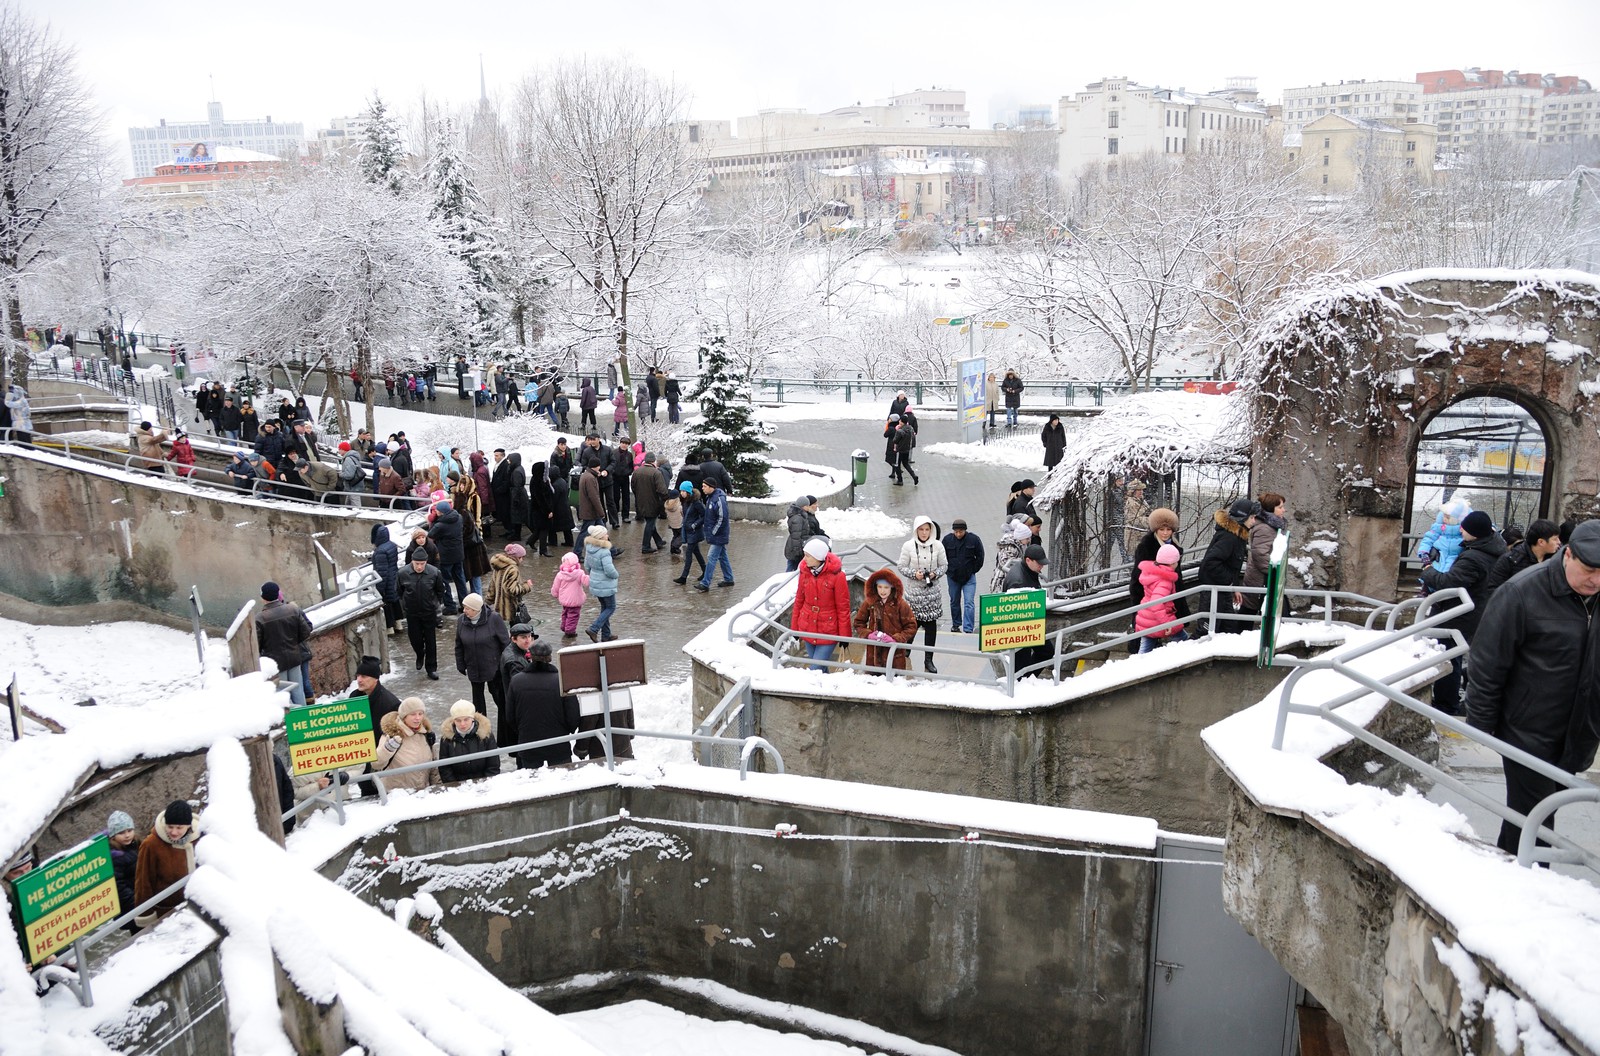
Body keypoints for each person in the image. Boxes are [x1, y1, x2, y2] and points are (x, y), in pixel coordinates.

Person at [1466, 520, 1600, 858]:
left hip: (1578, 729)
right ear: (1567, 554)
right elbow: (1487, 662)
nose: (1595, 580)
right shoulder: (1521, 592)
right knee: (1537, 820)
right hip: (1526, 731)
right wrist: (1482, 727)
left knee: (1532, 814)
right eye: (1589, 570)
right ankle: (1535, 890)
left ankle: (1507, 869)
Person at [1419, 509, 1506, 716]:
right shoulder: (1493, 547)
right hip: (1478, 610)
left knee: (1448, 656)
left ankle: (1445, 705)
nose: (1460, 530)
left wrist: (1428, 569)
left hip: (1458, 614)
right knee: (1456, 655)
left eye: (1464, 528)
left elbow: (1447, 583)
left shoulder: (1473, 558)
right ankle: (1449, 701)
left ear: (1474, 533)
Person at [508, 641, 582, 769]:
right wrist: (566, 731)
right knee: (562, 782)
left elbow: (510, 715)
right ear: (550, 657)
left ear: (530, 656)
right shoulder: (561, 680)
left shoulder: (517, 681)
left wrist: (522, 731)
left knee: (532, 783)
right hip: (558, 742)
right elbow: (573, 714)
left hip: (528, 742)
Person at [791, 538, 851, 670]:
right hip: (808, 627)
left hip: (828, 630)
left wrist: (844, 636)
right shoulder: (804, 572)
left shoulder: (837, 576)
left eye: (807, 556)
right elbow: (799, 600)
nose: (804, 559)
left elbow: (843, 608)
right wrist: (795, 628)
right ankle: (827, 691)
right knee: (821, 670)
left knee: (815, 670)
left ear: (818, 557)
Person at [1197, 498, 1256, 632]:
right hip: (1214, 591)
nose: (1254, 521)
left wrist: (1234, 587)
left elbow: (1230, 565)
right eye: (1252, 517)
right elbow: (1211, 562)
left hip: (1223, 591)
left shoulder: (1238, 534)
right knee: (1206, 631)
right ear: (1242, 517)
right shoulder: (1229, 537)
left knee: (1229, 629)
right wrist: (1229, 582)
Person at [132, 800, 197, 921]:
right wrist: (146, 916)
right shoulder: (151, 845)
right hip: (166, 913)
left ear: (189, 826)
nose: (173, 832)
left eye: (179, 828)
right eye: (170, 826)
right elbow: (143, 883)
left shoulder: (200, 839)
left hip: (197, 908)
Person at [898, 516, 947, 673]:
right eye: (921, 529)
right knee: (911, 625)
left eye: (927, 529)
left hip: (932, 594)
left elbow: (944, 565)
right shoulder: (908, 546)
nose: (924, 533)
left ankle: (928, 660)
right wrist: (914, 574)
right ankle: (905, 651)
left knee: (931, 628)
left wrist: (934, 574)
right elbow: (901, 566)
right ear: (916, 530)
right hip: (914, 594)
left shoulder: (938, 545)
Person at [255, 582, 313, 708]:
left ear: (263, 597)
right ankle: (303, 718)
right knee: (298, 690)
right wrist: (293, 643)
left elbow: (257, 645)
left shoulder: (260, 618)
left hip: (275, 662)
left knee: (282, 692)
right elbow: (306, 631)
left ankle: (291, 722)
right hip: (294, 657)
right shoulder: (293, 609)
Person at [455, 592, 511, 719]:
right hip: (473, 667)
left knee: (498, 697)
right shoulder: (461, 621)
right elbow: (459, 645)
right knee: (478, 702)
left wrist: (505, 664)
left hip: (494, 668)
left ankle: (507, 721)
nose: (464, 611)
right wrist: (461, 664)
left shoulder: (494, 619)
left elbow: (505, 644)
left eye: (467, 608)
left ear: (476, 609)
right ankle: (481, 727)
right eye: (464, 607)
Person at [1002, 544, 1054, 675]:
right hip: (1021, 628)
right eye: (1039, 563)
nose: (1042, 566)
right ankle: (1023, 681)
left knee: (1045, 651)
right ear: (1028, 560)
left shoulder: (1027, 570)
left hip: (1028, 625)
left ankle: (1026, 679)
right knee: (1022, 661)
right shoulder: (1018, 582)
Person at [853, 568, 918, 671]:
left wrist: (896, 638)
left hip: (894, 657)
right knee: (874, 682)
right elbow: (858, 622)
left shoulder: (900, 604)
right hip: (873, 656)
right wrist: (868, 634)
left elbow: (911, 626)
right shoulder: (870, 602)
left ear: (892, 587)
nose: (882, 591)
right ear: (875, 587)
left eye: (886, 587)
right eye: (880, 587)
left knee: (894, 682)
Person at [396, 549, 445, 678]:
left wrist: (433, 603)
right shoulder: (403, 573)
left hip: (429, 611)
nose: (419, 567)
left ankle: (431, 667)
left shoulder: (434, 573)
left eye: (422, 564)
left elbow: (440, 591)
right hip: (412, 613)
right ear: (412, 561)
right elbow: (399, 591)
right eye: (417, 563)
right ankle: (419, 653)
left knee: (430, 640)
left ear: (426, 562)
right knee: (415, 639)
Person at [1484, 518, 1561, 598]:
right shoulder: (1511, 560)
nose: (1559, 542)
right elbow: (1494, 590)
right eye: (1555, 539)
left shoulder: (1555, 560)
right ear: (1541, 542)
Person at [373, 697, 439, 791]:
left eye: (420, 714)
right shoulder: (391, 736)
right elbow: (376, 764)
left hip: (423, 794)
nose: (417, 718)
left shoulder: (426, 735)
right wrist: (387, 750)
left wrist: (437, 787)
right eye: (413, 714)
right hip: (397, 796)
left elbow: (433, 768)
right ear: (404, 716)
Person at [1238, 491, 1286, 619]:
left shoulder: (1271, 526)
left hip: (1262, 578)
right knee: (1250, 611)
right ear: (1271, 509)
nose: (1284, 510)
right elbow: (1260, 554)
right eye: (1280, 507)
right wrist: (1275, 570)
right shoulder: (1265, 528)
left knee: (1249, 611)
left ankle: (1239, 634)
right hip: (1262, 579)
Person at [1135, 543, 1188, 653]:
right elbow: (1156, 603)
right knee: (1182, 639)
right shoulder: (1165, 581)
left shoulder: (1153, 573)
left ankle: (1138, 666)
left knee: (1144, 651)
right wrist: (1166, 623)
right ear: (1172, 563)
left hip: (1146, 617)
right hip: (1157, 620)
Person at [437, 701, 501, 783]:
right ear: (453, 721)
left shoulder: (485, 735)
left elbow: (493, 765)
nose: (462, 724)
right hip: (458, 786)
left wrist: (486, 784)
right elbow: (445, 768)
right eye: (458, 720)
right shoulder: (446, 738)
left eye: (466, 719)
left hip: (483, 783)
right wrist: (454, 786)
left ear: (472, 719)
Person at [942, 520, 984, 634]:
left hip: (969, 577)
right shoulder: (946, 540)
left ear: (965, 530)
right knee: (954, 601)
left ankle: (968, 628)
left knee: (969, 602)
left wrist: (973, 570)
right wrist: (948, 571)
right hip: (952, 577)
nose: (958, 534)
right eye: (956, 532)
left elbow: (980, 556)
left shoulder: (974, 539)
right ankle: (956, 624)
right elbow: (942, 558)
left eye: (961, 531)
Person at [695, 476, 735, 592]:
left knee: (711, 557)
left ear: (711, 487)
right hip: (715, 534)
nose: (702, 488)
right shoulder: (710, 498)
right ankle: (729, 578)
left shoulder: (718, 499)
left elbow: (722, 518)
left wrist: (713, 532)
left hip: (719, 535)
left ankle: (705, 583)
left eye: (705, 486)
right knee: (722, 556)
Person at [429, 500, 469, 615]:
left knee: (444, 581)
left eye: (437, 510)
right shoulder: (459, 518)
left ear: (441, 512)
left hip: (445, 557)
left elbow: (431, 534)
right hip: (458, 554)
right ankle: (464, 603)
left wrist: (431, 519)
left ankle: (450, 606)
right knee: (460, 579)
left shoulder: (440, 525)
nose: (435, 511)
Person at [583, 525, 620, 642]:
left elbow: (587, 566)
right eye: (605, 534)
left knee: (605, 608)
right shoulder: (604, 552)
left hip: (595, 583)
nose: (607, 535)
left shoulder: (589, 548)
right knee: (611, 607)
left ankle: (606, 635)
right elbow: (609, 570)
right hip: (605, 585)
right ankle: (594, 628)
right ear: (600, 537)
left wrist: (594, 575)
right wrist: (616, 575)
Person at [105, 810, 140, 929]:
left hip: (142, 899)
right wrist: (137, 900)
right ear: (113, 836)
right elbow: (118, 886)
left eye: (129, 830)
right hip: (133, 907)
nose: (127, 835)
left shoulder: (137, 845)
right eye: (121, 832)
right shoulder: (115, 858)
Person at [1416, 497, 1471, 573]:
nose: (1444, 519)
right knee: (1433, 577)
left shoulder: (1466, 531)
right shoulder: (1438, 528)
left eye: (1448, 517)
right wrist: (1424, 552)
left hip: (1456, 562)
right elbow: (1428, 539)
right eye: (1443, 515)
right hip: (1438, 559)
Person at [354, 655, 403, 738]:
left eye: (364, 676)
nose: (359, 680)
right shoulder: (354, 697)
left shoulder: (390, 704)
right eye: (358, 675)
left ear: (376, 679)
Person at [485, 543, 533, 626]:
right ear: (516, 557)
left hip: (498, 608)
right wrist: (527, 586)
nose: (522, 560)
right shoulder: (513, 569)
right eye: (521, 557)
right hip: (509, 608)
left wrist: (488, 601)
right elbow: (513, 590)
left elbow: (492, 586)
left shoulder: (499, 566)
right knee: (514, 632)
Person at [674, 481, 708, 586]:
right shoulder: (686, 501)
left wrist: (694, 525)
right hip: (688, 531)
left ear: (688, 491)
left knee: (688, 554)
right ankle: (705, 571)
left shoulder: (696, 502)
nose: (682, 493)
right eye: (681, 491)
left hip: (694, 532)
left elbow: (704, 516)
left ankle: (684, 577)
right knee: (697, 553)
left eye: (683, 491)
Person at [552, 551, 590, 641]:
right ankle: (570, 631)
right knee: (573, 615)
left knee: (565, 612)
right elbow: (586, 582)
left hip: (564, 599)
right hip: (575, 599)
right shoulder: (579, 573)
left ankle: (564, 626)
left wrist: (555, 594)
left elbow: (555, 586)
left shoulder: (560, 574)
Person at [989, 518, 1033, 593]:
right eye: (1027, 538)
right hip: (1003, 580)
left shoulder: (1019, 545)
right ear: (1021, 537)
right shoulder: (1011, 548)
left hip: (1006, 578)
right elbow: (1005, 563)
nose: (1029, 540)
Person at [785, 495, 825, 573]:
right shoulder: (798, 518)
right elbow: (796, 536)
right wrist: (797, 551)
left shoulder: (801, 516)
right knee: (792, 569)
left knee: (792, 567)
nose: (808, 507)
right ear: (803, 506)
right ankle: (785, 583)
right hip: (795, 549)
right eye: (807, 505)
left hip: (796, 547)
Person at [576, 456, 609, 550]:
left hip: (591, 511)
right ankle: (577, 552)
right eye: (599, 466)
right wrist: (601, 512)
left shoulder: (586, 475)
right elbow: (594, 497)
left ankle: (611, 550)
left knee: (602, 531)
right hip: (590, 512)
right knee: (584, 533)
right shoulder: (590, 478)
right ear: (596, 466)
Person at [1122, 480, 1150, 559]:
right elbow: (1134, 520)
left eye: (1141, 490)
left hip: (1142, 534)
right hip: (1134, 535)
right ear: (1133, 491)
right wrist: (1150, 521)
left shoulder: (1141, 500)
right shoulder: (1131, 503)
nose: (1141, 492)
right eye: (1138, 490)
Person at [890, 414, 919, 486]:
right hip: (907, 449)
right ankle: (914, 476)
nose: (899, 421)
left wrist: (897, 431)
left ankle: (900, 480)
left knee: (897, 465)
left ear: (902, 422)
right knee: (906, 464)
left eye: (900, 420)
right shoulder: (910, 428)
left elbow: (895, 440)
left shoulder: (900, 431)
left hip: (900, 450)